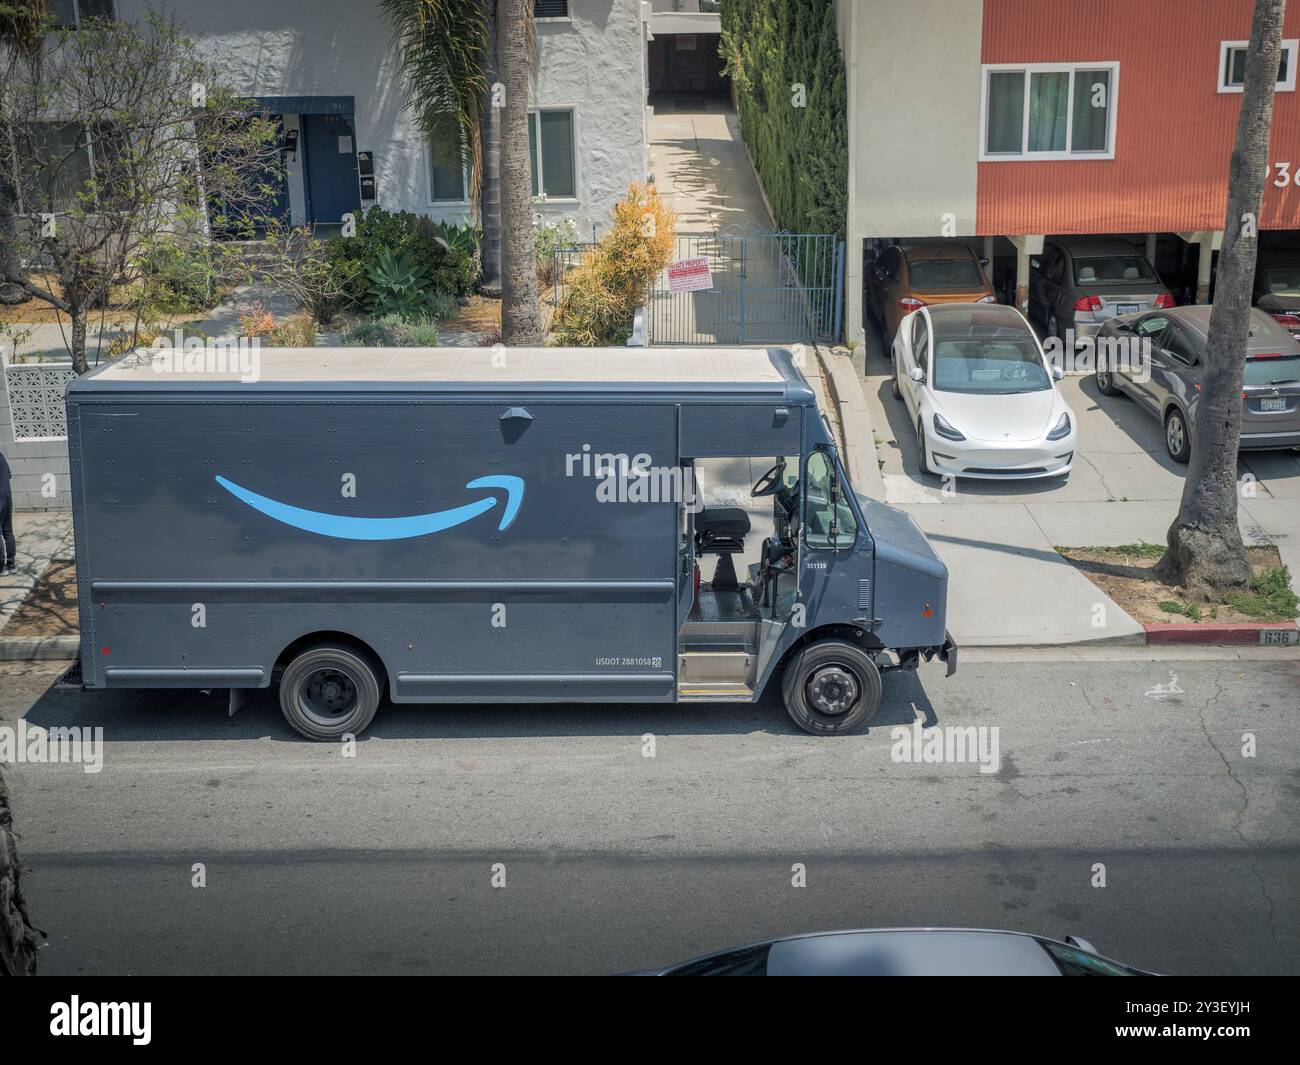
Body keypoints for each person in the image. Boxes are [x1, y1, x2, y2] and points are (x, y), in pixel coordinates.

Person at [0, 449, 14, 575]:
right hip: (7, 499)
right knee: (8, 532)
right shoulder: (2, 457)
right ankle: (11, 564)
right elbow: (8, 475)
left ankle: (1, 567)